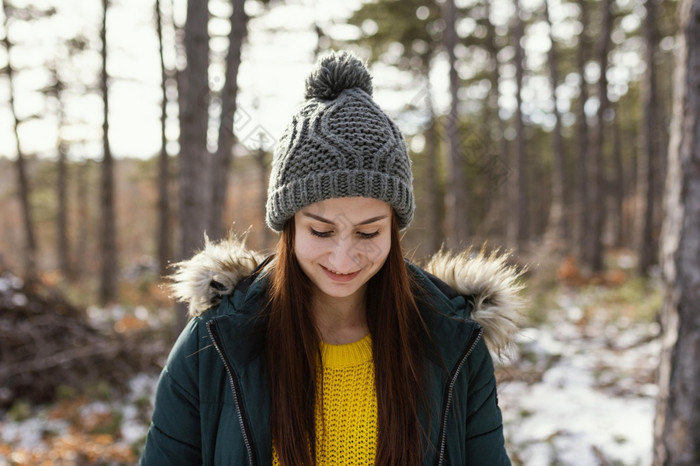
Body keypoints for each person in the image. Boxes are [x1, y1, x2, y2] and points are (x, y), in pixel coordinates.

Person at [140, 50, 523, 465]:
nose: (344, 258)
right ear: (289, 227)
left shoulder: (452, 342)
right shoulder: (214, 342)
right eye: (321, 231)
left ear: (394, 229)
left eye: (369, 231)